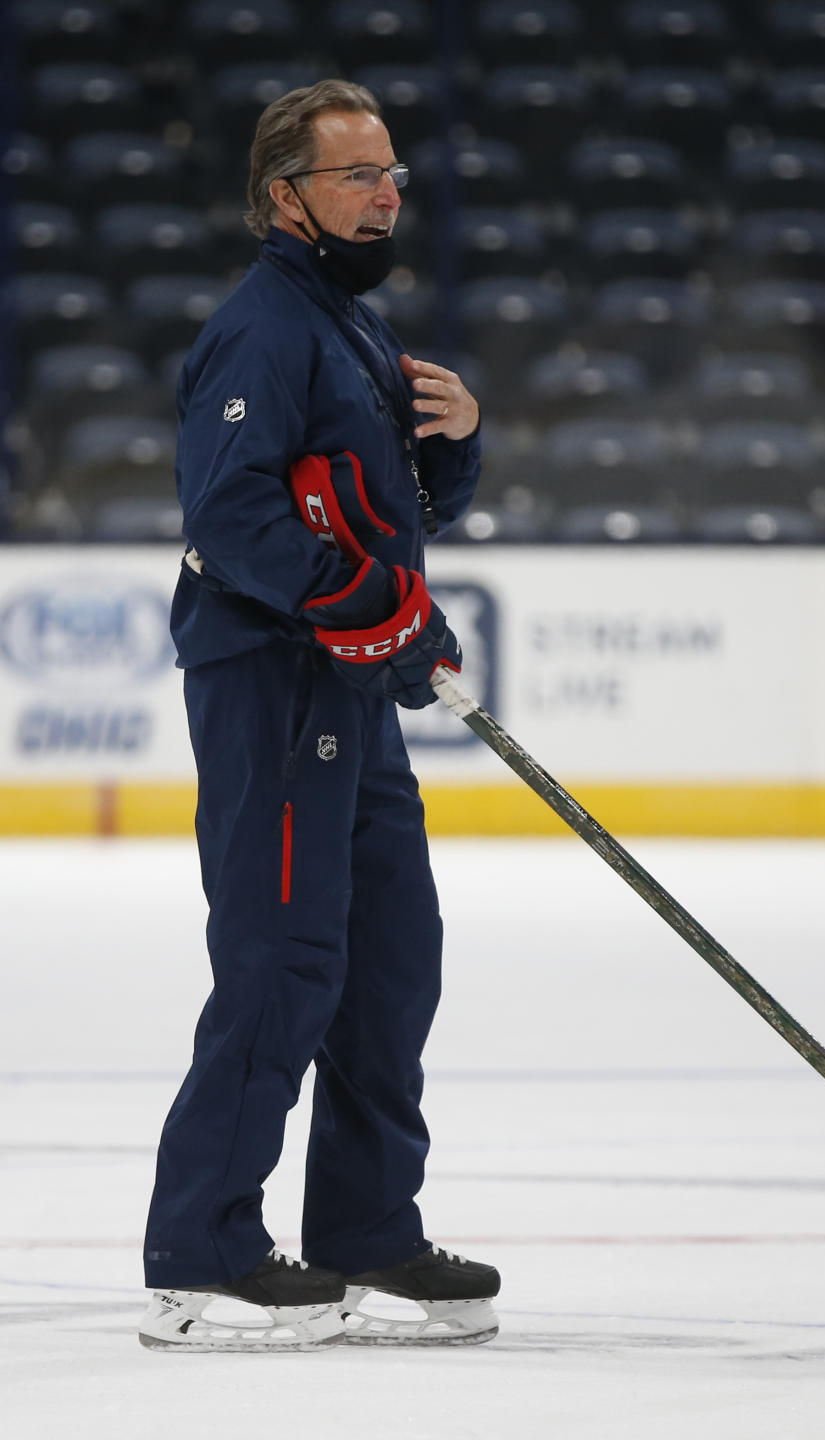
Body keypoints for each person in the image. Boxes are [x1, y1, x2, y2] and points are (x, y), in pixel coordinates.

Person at [139, 79, 500, 1352]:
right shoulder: (263, 330)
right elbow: (233, 522)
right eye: (358, 174)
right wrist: (370, 603)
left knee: (393, 958)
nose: (387, 192)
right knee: (285, 960)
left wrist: (448, 452)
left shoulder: (349, 326)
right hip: (274, 686)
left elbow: (367, 510)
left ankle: (364, 1230)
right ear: (285, 196)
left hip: (344, 688)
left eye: (393, 171)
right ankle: (203, 1253)